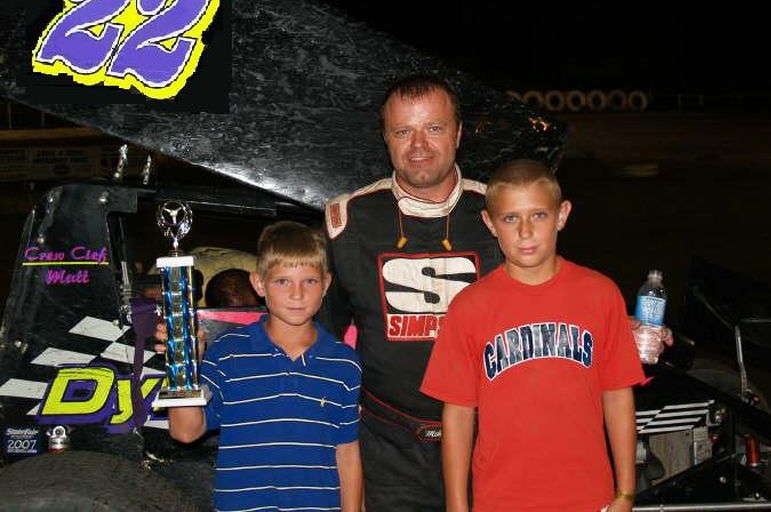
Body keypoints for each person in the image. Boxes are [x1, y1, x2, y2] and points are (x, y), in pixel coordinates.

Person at [322, 75, 504, 511]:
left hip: (494, 441)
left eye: (434, 128)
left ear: (458, 134)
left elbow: (552, 297)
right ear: (385, 138)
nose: (418, 145)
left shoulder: (502, 212)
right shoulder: (348, 221)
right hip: (389, 450)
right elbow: (311, 330)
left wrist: (613, 324)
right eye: (403, 131)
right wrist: (206, 342)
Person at [421, 159, 644, 512]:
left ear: (562, 214)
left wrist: (626, 493)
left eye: (538, 215)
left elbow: (617, 395)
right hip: (501, 500)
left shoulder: (600, 294)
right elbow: (458, 415)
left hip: (587, 497)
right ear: (490, 223)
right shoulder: (469, 307)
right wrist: (457, 506)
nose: (525, 232)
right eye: (511, 218)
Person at [168, 221, 363, 512]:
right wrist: (184, 363)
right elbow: (185, 432)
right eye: (282, 281)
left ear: (326, 284)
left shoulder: (344, 363)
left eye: (309, 281)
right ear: (259, 283)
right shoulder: (227, 354)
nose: (297, 294)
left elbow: (347, 452)